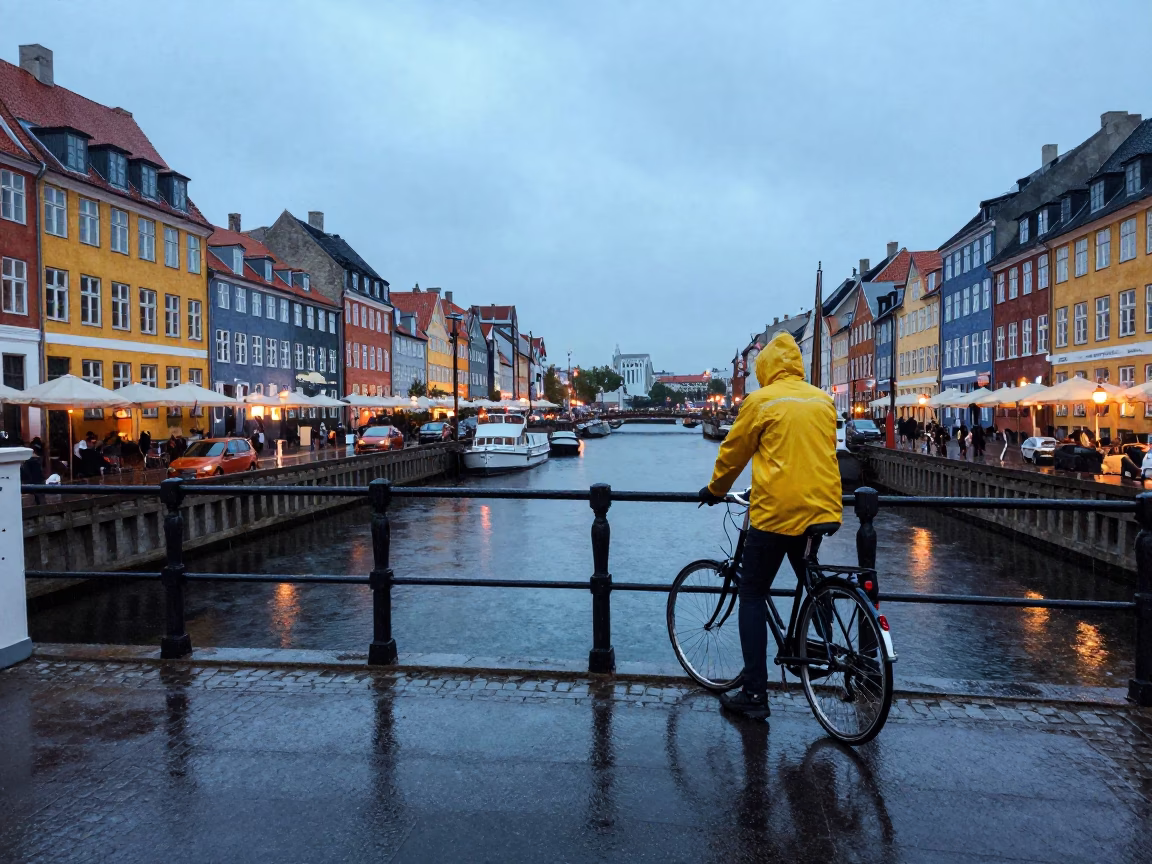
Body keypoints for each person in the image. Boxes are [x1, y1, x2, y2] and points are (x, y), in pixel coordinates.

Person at [698, 331, 842, 720]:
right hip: (823, 509)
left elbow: (734, 453)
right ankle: (821, 642)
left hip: (777, 513)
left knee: (752, 593)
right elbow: (823, 452)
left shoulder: (760, 401)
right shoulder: (822, 401)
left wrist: (715, 490)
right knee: (811, 580)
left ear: (764, 368)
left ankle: (755, 695)